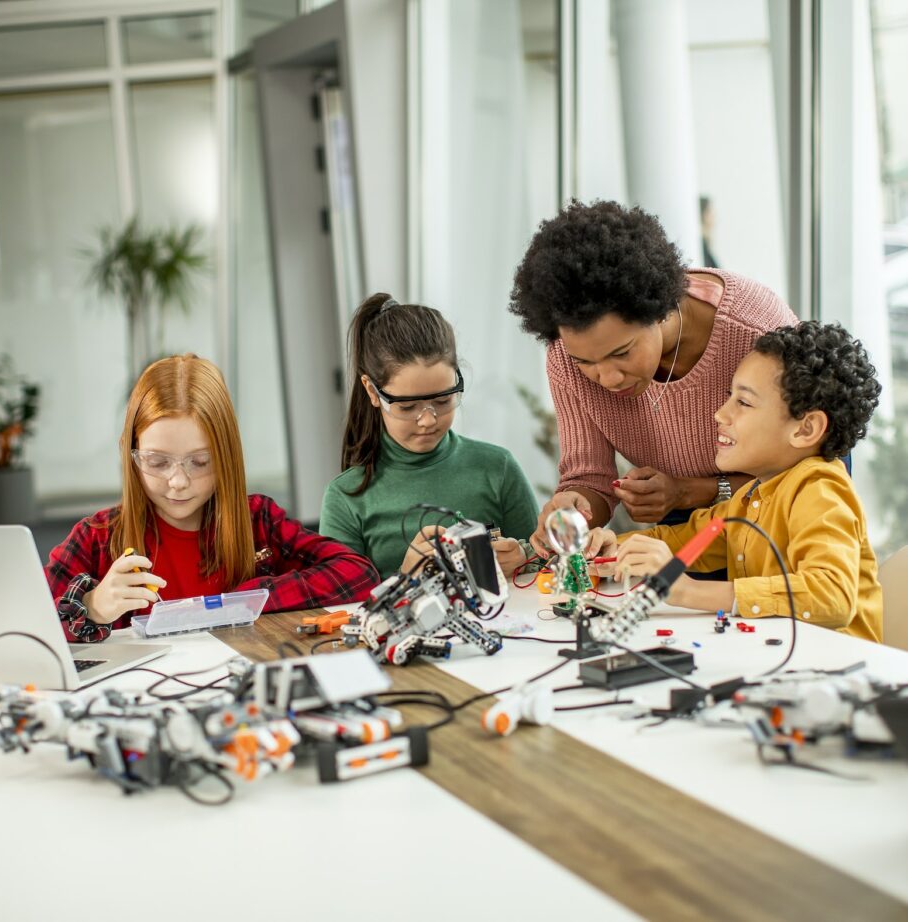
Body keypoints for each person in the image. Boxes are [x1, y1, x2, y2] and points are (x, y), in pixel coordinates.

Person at [508, 199, 798, 558]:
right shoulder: (565, 358)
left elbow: (802, 474)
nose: (608, 378)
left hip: (779, 515)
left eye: (622, 352)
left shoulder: (757, 332)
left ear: (659, 309)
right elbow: (591, 478)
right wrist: (575, 508)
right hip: (680, 520)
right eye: (586, 361)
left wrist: (690, 491)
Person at [45, 354, 379, 642]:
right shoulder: (97, 538)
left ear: (226, 457)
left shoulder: (258, 521)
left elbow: (358, 574)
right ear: (131, 457)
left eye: (200, 462)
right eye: (158, 462)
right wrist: (91, 606)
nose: (178, 482)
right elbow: (23, 630)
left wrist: (251, 599)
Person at [587, 322, 883, 642]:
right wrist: (618, 549)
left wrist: (689, 591)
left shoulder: (819, 489)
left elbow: (831, 596)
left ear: (805, 429)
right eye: (730, 397)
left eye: (743, 402)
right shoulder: (751, 498)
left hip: (840, 673)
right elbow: (686, 541)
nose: (720, 414)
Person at [318, 293, 539, 580]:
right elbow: (341, 607)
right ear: (373, 392)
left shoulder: (498, 468)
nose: (427, 420)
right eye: (408, 407)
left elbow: (550, 559)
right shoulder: (346, 498)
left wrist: (524, 558)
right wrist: (405, 577)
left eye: (443, 401)